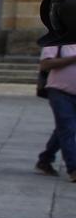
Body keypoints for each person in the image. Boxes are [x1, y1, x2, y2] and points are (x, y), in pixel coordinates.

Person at [36, 38, 76, 181]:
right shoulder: (58, 41)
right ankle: (73, 168)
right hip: (60, 91)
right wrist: (73, 59)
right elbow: (45, 64)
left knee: (65, 128)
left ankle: (45, 160)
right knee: (67, 127)